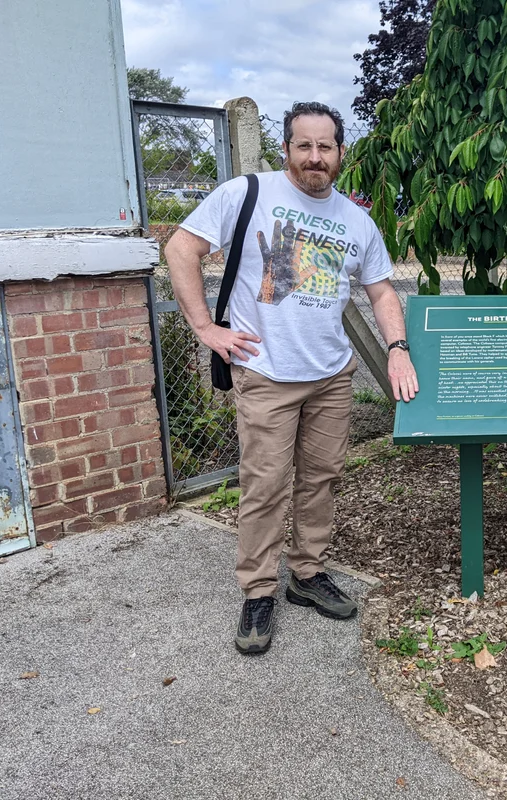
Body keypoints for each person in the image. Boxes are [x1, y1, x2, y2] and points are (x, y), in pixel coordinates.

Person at [164, 101, 418, 654]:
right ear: (286, 149)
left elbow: (380, 291)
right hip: (267, 373)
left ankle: (307, 572)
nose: (315, 157)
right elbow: (181, 247)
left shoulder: (357, 220)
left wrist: (397, 349)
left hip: (331, 375)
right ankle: (258, 591)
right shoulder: (247, 193)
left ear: (341, 153)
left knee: (322, 478)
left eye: (325, 146)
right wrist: (204, 326)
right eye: (304, 145)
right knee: (265, 486)